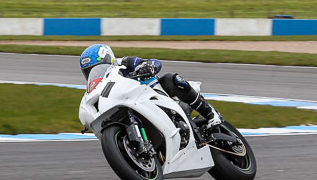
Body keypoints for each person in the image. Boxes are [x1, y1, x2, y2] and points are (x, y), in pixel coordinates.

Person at [79, 43, 224, 131]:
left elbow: (154, 62)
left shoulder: (124, 63)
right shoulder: (101, 87)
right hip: (131, 105)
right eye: (89, 71)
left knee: (170, 79)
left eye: (98, 67)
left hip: (155, 95)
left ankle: (210, 113)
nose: (95, 72)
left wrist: (148, 67)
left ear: (109, 59)